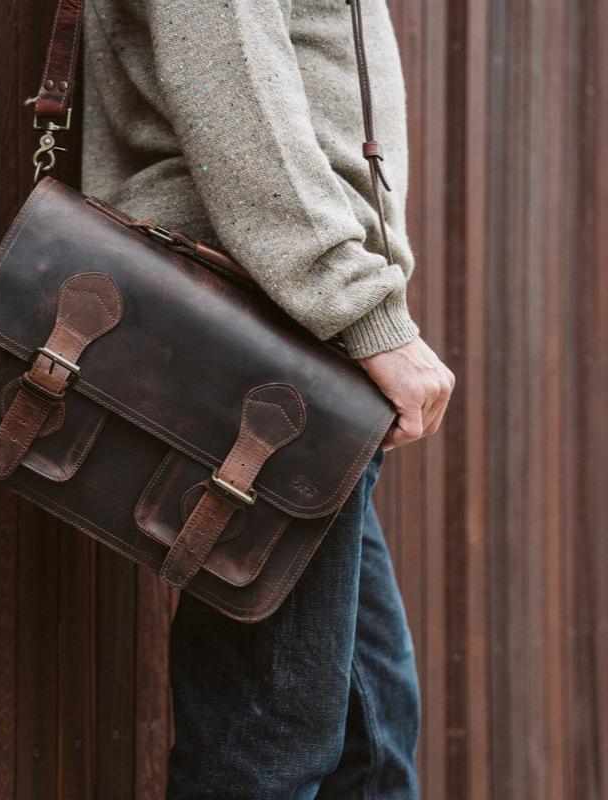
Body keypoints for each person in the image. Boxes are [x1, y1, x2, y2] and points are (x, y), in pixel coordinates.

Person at [81, 0, 455, 796]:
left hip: (297, 335)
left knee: (370, 733)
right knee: (269, 738)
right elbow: (233, 86)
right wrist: (362, 310)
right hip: (255, 332)